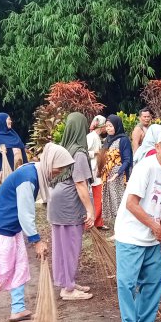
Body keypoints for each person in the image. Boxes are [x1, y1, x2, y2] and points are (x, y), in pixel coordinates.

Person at [0, 143, 74, 322]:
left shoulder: (33, 169)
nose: (59, 173)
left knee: (19, 265)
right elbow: (25, 212)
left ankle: (18, 308)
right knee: (0, 267)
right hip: (1, 226)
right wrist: (36, 240)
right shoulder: (29, 177)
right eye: (58, 168)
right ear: (49, 162)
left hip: (10, 227)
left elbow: (7, 184)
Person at [114, 126, 161, 322]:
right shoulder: (145, 168)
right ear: (157, 147)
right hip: (131, 235)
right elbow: (131, 204)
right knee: (128, 285)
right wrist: (155, 228)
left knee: (153, 282)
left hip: (153, 238)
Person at [51, 112, 97, 300]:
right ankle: (68, 290)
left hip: (58, 201)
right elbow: (80, 184)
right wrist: (90, 210)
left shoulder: (63, 149)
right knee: (70, 245)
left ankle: (67, 281)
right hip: (68, 204)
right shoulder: (79, 153)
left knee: (62, 246)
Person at [99, 114, 133, 228]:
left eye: (111, 126)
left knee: (120, 203)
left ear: (117, 126)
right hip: (108, 177)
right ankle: (118, 229)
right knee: (112, 202)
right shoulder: (107, 140)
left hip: (119, 177)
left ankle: (123, 229)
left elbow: (127, 160)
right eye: (107, 126)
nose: (108, 128)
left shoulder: (123, 140)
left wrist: (118, 173)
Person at [0, 113, 27, 181]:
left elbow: (22, 151)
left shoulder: (14, 135)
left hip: (19, 169)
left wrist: (26, 166)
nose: (11, 121)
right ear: (2, 121)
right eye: (9, 119)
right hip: (5, 170)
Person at [87, 115, 106, 229]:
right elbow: (84, 152)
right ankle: (93, 222)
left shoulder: (97, 137)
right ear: (102, 126)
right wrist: (96, 153)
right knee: (96, 196)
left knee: (99, 196)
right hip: (92, 170)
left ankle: (98, 221)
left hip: (97, 169)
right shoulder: (91, 137)